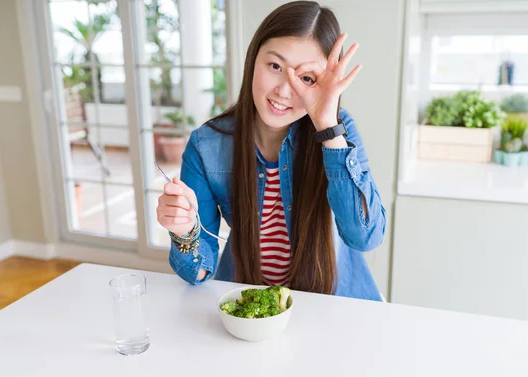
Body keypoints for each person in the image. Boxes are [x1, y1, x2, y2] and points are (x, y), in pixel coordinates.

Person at [156, 1, 386, 301]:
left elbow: (365, 237)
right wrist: (184, 232)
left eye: (307, 78)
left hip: (334, 306)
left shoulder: (339, 131)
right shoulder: (207, 145)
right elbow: (199, 272)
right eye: (275, 66)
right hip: (251, 309)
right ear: (253, 59)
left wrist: (328, 127)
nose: (284, 90)